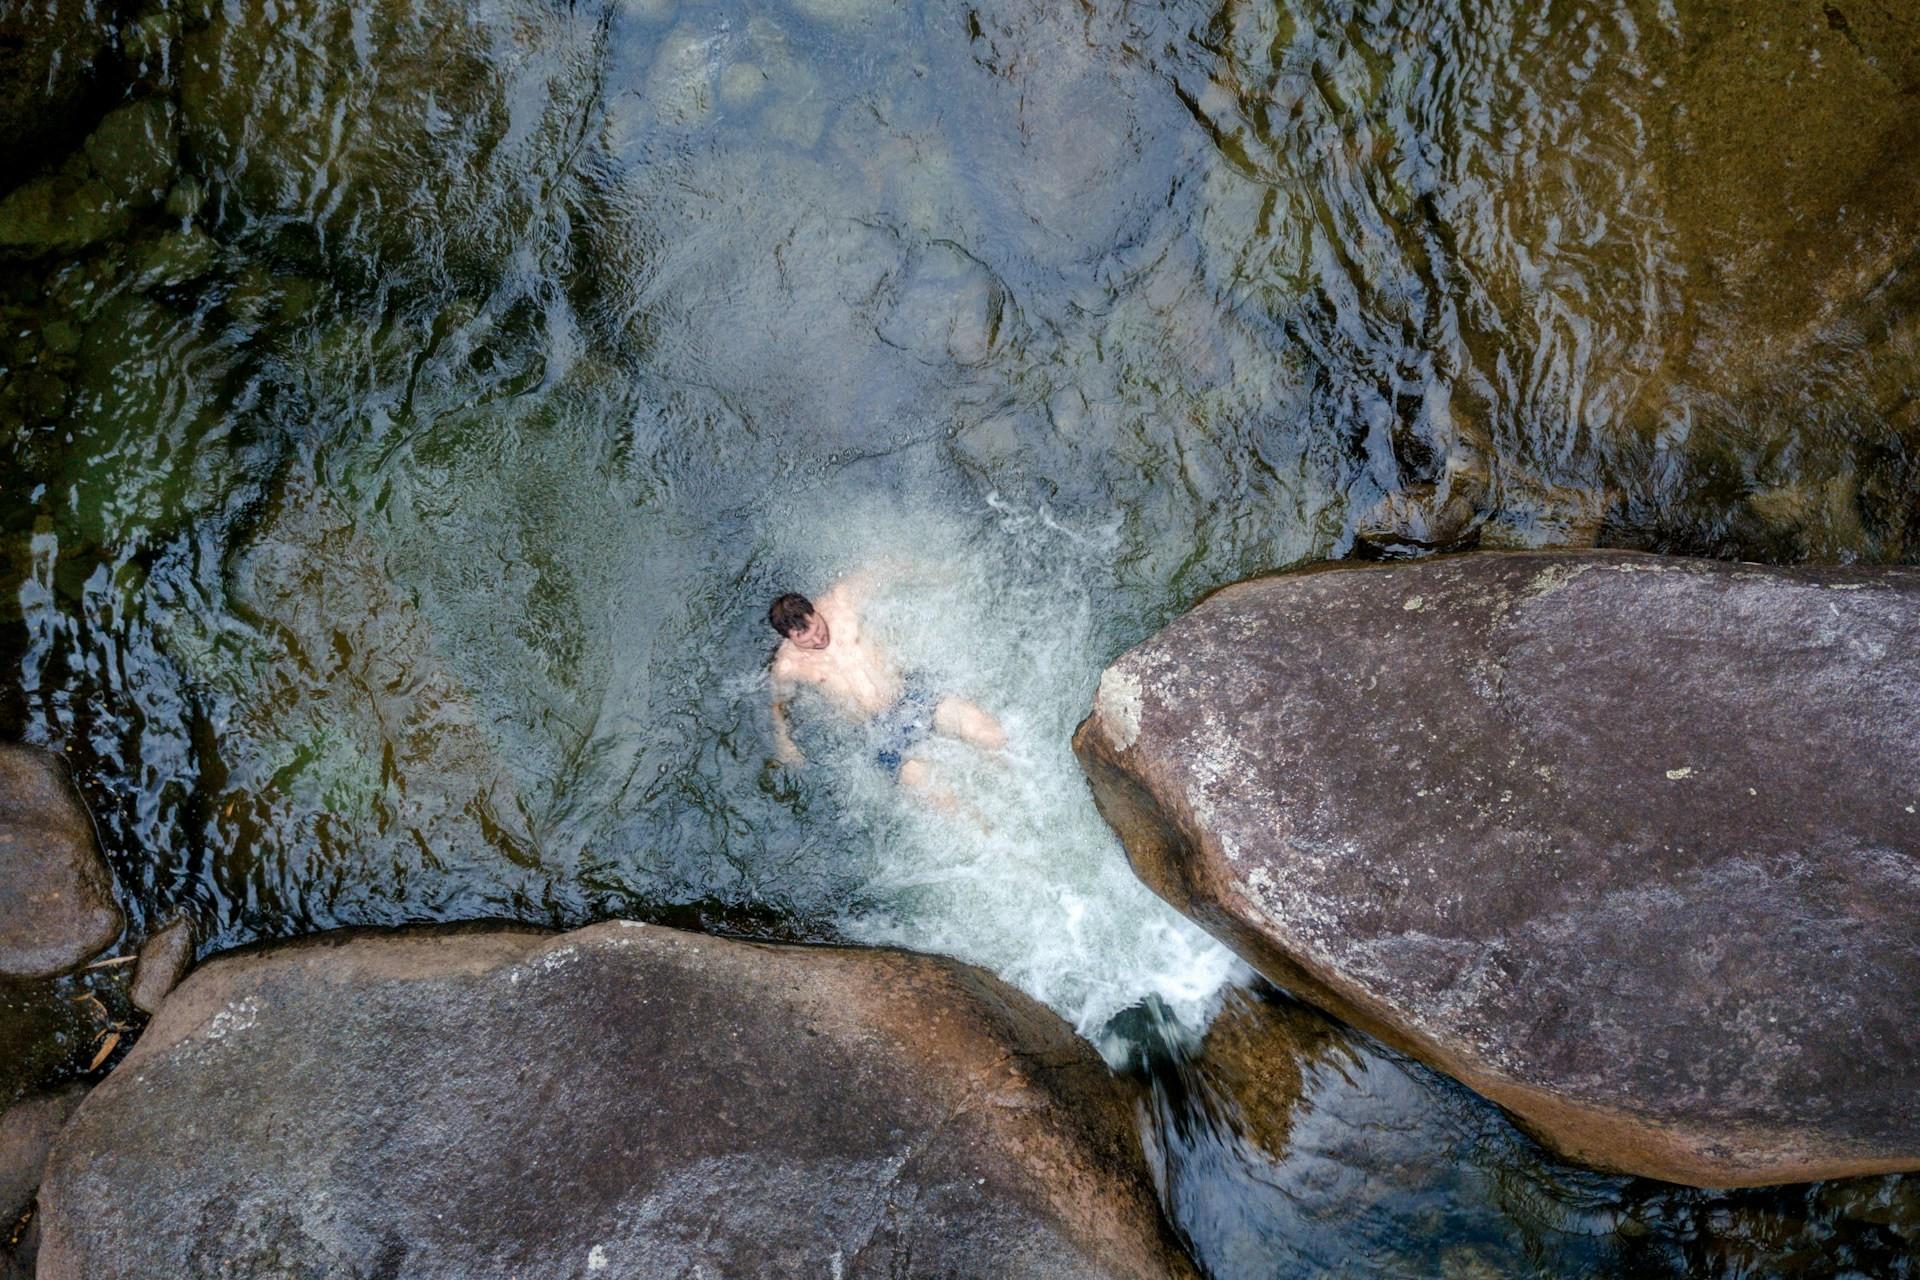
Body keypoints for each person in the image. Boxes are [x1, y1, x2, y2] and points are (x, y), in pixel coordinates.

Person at [766, 572, 1005, 802]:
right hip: (879, 732)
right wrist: (785, 744)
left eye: (817, 627)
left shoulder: (841, 603)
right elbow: (778, 705)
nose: (818, 639)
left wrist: (940, 574)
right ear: (788, 637)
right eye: (804, 639)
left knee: (989, 734)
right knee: (936, 795)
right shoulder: (787, 667)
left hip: (912, 694)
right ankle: (989, 834)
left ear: (814, 610)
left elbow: (885, 568)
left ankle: (1015, 779)